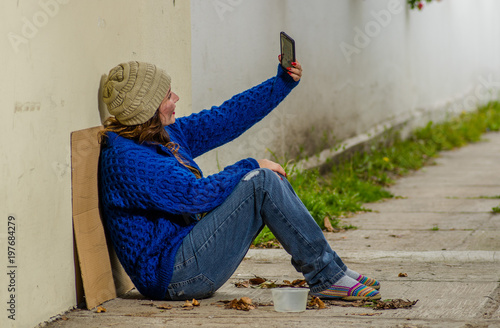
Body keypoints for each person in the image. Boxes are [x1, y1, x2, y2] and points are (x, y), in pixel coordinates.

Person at [98, 58, 381, 301]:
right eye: (168, 96)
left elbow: (225, 118)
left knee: (262, 178)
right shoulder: (129, 161)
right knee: (261, 180)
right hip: (173, 275)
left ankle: (333, 270)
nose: (176, 99)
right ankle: (327, 276)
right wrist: (251, 165)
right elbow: (196, 195)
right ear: (147, 108)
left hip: (184, 252)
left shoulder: (160, 134)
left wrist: (280, 83)